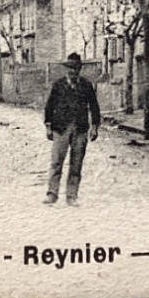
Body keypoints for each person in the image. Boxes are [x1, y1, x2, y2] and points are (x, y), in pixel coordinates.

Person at [43, 52, 101, 206]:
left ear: (80, 69)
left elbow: (94, 107)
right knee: (56, 162)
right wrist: (48, 126)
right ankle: (52, 193)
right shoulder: (58, 85)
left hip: (80, 129)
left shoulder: (86, 86)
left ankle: (72, 195)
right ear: (66, 69)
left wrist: (95, 126)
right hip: (60, 128)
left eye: (75, 68)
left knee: (76, 164)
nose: (72, 71)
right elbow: (49, 106)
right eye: (70, 68)